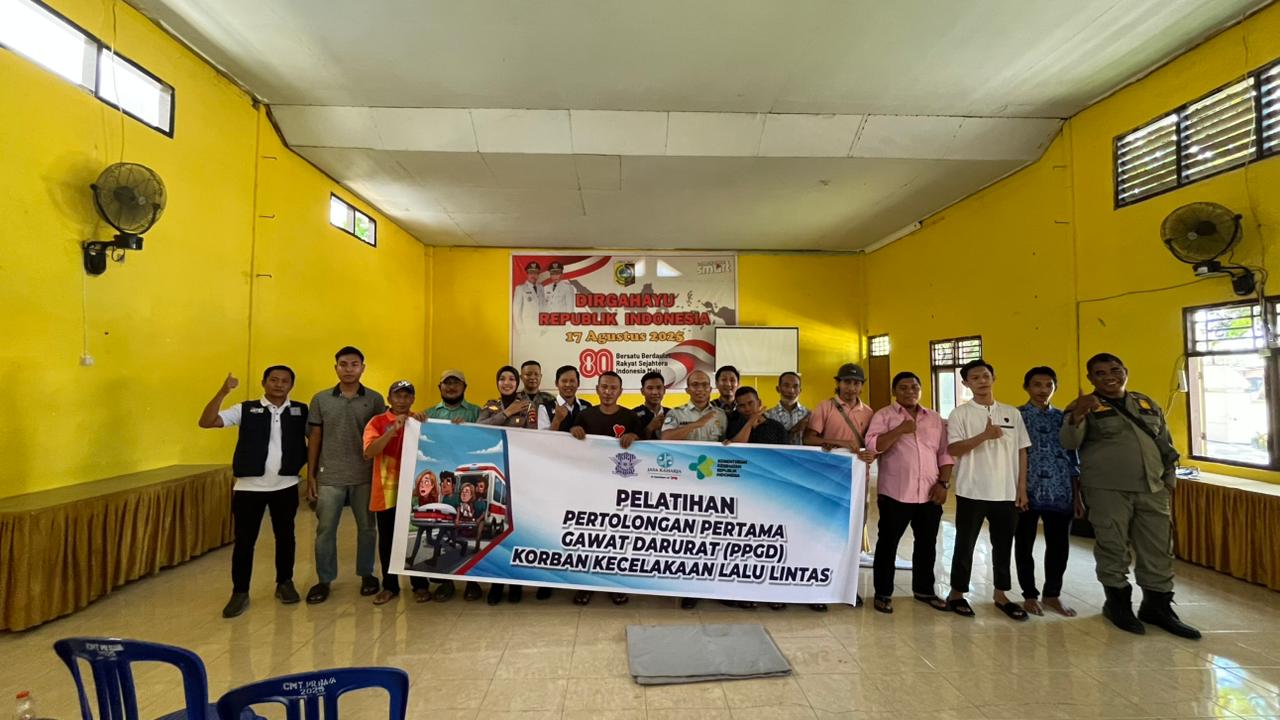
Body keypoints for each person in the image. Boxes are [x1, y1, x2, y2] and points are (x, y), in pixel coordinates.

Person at [1060, 353, 1199, 639]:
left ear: (1125, 371)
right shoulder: (1084, 405)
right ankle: (1117, 604)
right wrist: (1077, 415)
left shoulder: (1146, 403)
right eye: (1100, 373)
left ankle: (1157, 606)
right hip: (1108, 490)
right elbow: (1068, 442)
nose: (1109, 377)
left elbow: (1165, 441)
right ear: (1090, 378)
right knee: (1113, 546)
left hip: (1152, 489)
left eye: (1115, 370)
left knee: (1158, 549)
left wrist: (1168, 480)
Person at [198, 367, 308, 618]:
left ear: (291, 385)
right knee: (245, 541)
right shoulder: (245, 409)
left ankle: (284, 582)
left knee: (286, 537)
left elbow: (315, 438)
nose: (279, 385)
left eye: (285, 381)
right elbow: (207, 422)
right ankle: (240, 592)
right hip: (249, 488)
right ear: (263, 382)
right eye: (274, 380)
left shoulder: (300, 410)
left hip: (286, 485)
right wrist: (223, 392)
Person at [945, 359, 1031, 621]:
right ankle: (956, 593)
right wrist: (983, 435)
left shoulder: (1012, 413)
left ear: (994, 378)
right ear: (966, 383)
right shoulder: (960, 414)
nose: (982, 381)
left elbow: (1022, 451)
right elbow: (953, 449)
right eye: (975, 378)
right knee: (965, 544)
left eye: (985, 376)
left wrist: (1021, 487)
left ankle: (1001, 594)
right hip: (972, 491)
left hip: (1005, 492)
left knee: (1003, 545)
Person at [863, 372, 953, 615]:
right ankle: (883, 593)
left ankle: (924, 590)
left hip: (929, 493)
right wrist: (900, 429)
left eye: (914, 387)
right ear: (895, 391)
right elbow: (874, 446)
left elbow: (944, 453)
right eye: (903, 388)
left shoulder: (934, 418)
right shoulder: (884, 415)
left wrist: (944, 484)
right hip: (895, 493)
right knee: (888, 544)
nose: (910, 392)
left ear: (920, 390)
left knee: (927, 544)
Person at [305, 347, 385, 604]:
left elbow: (382, 435)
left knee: (367, 528)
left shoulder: (374, 399)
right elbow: (315, 438)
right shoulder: (320, 399)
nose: (349, 369)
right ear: (336, 368)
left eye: (354, 364)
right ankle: (324, 579)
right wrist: (311, 476)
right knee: (325, 530)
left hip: (365, 474)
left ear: (363, 368)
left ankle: (367, 574)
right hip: (330, 475)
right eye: (343, 364)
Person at [804, 362, 877, 609]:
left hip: (858, 482)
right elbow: (809, 438)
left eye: (856, 383)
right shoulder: (825, 407)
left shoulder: (869, 413)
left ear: (861, 386)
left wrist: (871, 453)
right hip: (827, 480)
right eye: (846, 382)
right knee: (823, 532)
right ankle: (817, 587)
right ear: (838, 383)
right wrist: (837, 442)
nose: (851, 387)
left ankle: (847, 587)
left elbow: (872, 445)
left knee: (852, 536)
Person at [568, 371, 641, 606]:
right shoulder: (584, 415)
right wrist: (573, 432)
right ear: (597, 389)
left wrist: (635, 436)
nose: (608, 392)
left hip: (620, 488)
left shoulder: (631, 417)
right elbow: (567, 446)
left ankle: (614, 585)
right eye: (604, 387)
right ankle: (585, 586)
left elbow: (647, 446)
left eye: (613, 388)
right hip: (589, 486)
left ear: (620, 391)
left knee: (616, 539)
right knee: (588, 538)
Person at [1016, 366, 1081, 617]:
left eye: (1049, 385)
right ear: (1026, 387)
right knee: (1024, 544)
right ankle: (1029, 595)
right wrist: (1017, 489)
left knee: (1059, 546)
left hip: (1060, 491)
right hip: (1027, 490)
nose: (1043, 390)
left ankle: (1052, 594)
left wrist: (1077, 495)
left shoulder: (1063, 418)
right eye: (1037, 385)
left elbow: (1073, 457)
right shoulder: (1017, 416)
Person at [661, 369, 728, 609]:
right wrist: (697, 425)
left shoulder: (722, 415)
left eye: (704, 385)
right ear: (687, 389)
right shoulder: (676, 413)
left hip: (715, 487)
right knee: (690, 539)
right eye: (695, 385)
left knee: (716, 539)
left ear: (711, 389)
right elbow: (666, 438)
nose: (700, 389)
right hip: (686, 486)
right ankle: (691, 589)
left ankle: (718, 587)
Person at [362, 380, 428, 606]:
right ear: (389, 399)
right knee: (387, 540)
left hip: (414, 494)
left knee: (414, 537)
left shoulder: (419, 421)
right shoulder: (377, 422)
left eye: (406, 396)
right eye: (397, 396)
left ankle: (420, 584)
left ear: (413, 399)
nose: (402, 400)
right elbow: (370, 452)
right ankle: (390, 586)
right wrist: (393, 429)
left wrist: (424, 425)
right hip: (386, 492)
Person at [420, 369, 481, 603]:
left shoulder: (476, 412)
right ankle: (445, 583)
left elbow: (485, 436)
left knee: (464, 533)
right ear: (440, 387)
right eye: (447, 383)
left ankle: (473, 583)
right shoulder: (428, 414)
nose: (451, 387)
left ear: (465, 387)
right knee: (444, 535)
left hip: (466, 476)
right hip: (444, 474)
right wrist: (416, 423)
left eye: (456, 383)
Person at [478, 365, 535, 605]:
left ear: (517, 382)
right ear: (497, 382)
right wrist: (506, 413)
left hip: (519, 472)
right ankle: (496, 583)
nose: (507, 382)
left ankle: (515, 583)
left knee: (516, 529)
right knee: (496, 530)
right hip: (496, 470)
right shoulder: (489, 405)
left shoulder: (529, 406)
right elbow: (481, 428)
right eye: (502, 378)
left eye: (512, 378)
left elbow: (532, 436)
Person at [539, 365, 592, 431]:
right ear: (556, 383)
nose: (568, 384)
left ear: (578, 383)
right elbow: (543, 437)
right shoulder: (544, 408)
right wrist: (557, 420)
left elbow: (593, 433)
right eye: (564, 381)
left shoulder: (587, 406)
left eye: (572, 381)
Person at [765, 371, 809, 445]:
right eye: (786, 385)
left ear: (800, 390)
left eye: (795, 386)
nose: (791, 390)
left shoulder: (809, 415)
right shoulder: (768, 416)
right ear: (778, 389)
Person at [519, 360, 557, 427]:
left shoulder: (550, 399)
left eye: (536, 374)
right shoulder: (515, 399)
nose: (532, 377)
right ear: (521, 377)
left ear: (541, 376)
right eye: (528, 374)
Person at [633, 370, 669, 440]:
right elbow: (630, 443)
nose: (655, 392)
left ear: (664, 390)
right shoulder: (633, 415)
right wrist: (649, 428)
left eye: (659, 387)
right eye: (650, 388)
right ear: (642, 391)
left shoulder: (672, 413)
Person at [513, 260, 544, 335]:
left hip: (541, 329)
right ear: (527, 274)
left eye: (536, 273)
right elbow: (516, 311)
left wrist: (544, 327)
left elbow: (544, 307)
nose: (533, 275)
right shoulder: (520, 289)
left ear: (538, 274)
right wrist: (521, 330)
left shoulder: (541, 288)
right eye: (531, 273)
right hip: (527, 329)